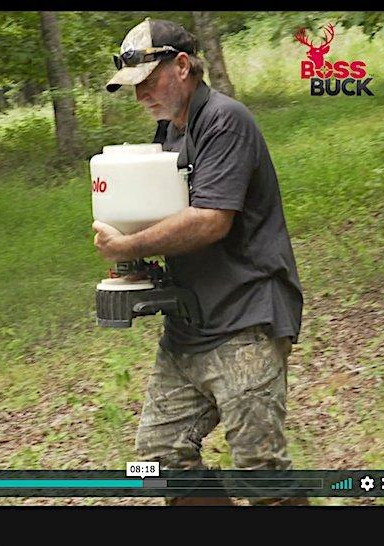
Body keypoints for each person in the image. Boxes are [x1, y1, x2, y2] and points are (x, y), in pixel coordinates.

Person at [93, 18, 306, 506]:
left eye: (147, 82)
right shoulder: (169, 133)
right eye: (133, 88)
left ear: (182, 66)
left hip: (246, 318)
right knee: (157, 460)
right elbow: (170, 219)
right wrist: (139, 264)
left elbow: (211, 220)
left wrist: (128, 246)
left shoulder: (225, 121)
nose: (140, 95)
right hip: (191, 327)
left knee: (260, 470)